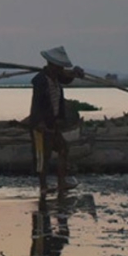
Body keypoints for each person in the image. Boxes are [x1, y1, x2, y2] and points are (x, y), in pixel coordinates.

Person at [29, 46, 84, 195]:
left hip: (53, 123)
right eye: (59, 66)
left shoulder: (57, 77)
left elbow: (68, 78)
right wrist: (40, 124)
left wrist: (76, 72)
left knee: (63, 148)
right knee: (43, 157)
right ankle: (43, 186)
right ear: (52, 65)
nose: (60, 69)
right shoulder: (40, 80)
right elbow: (37, 104)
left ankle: (61, 182)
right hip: (40, 125)